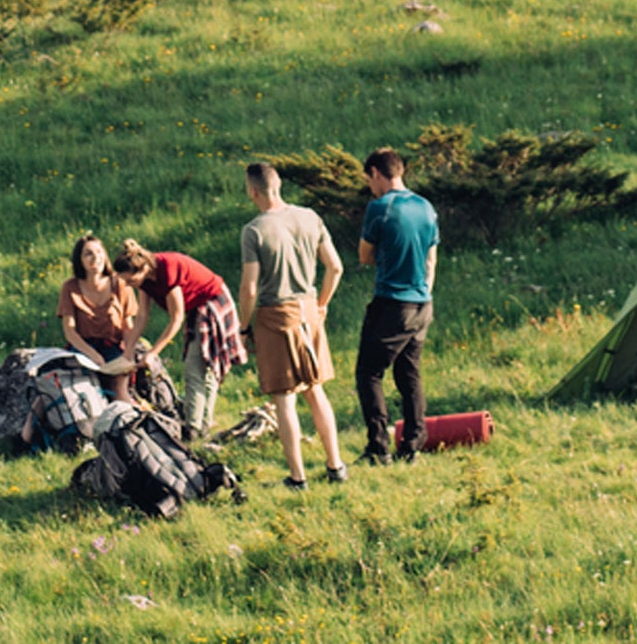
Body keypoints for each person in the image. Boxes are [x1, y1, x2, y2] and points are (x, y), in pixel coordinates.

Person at [237, 161, 347, 489]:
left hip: (275, 316)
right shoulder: (310, 217)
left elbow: (250, 288)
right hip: (309, 311)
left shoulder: (254, 230)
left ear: (252, 191)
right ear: (279, 184)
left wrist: (244, 327)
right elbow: (335, 267)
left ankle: (297, 477)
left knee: (284, 399)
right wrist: (322, 305)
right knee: (316, 391)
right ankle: (335, 465)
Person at [355, 147, 438, 464]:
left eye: (369, 180)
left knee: (369, 373)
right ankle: (413, 446)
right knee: (409, 374)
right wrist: (424, 292)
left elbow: (365, 256)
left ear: (376, 173)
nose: (369, 186)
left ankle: (378, 448)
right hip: (422, 303)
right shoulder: (426, 207)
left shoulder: (380, 208)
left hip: (392, 302)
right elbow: (431, 258)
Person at [115, 239, 246, 440]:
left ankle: (192, 429)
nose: (128, 285)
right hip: (195, 306)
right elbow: (142, 316)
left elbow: (176, 319)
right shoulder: (145, 280)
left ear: (142, 270)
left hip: (212, 302)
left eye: (130, 281)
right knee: (201, 369)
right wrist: (128, 349)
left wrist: (152, 353)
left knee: (194, 368)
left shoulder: (167, 270)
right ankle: (202, 425)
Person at [58, 233, 139, 402]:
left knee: (119, 396)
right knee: (80, 396)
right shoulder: (70, 287)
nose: (95, 258)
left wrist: (129, 354)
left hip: (113, 347)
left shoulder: (120, 284)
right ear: (79, 260)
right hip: (83, 349)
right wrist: (93, 355)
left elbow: (127, 326)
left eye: (99, 252)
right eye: (88, 254)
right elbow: (70, 331)